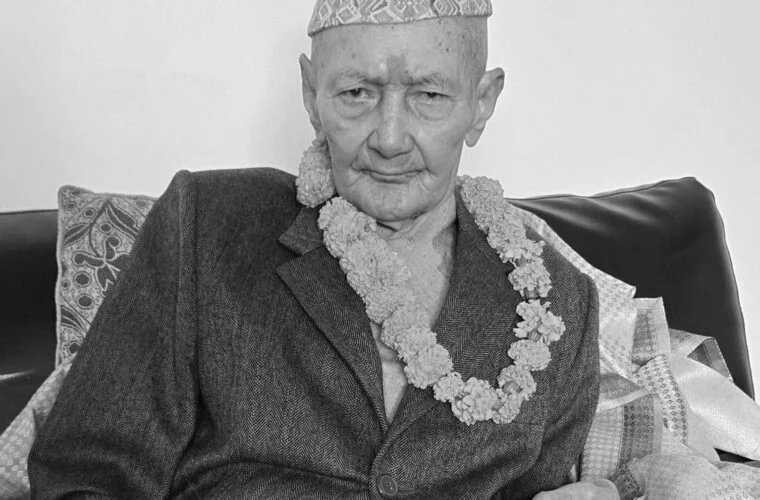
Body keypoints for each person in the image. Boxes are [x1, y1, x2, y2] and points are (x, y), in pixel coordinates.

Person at [29, 1, 619, 498]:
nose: (390, 139)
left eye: (430, 95)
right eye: (357, 93)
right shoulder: (206, 223)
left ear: (482, 103)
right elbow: (84, 477)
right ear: (312, 95)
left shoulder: (557, 308)